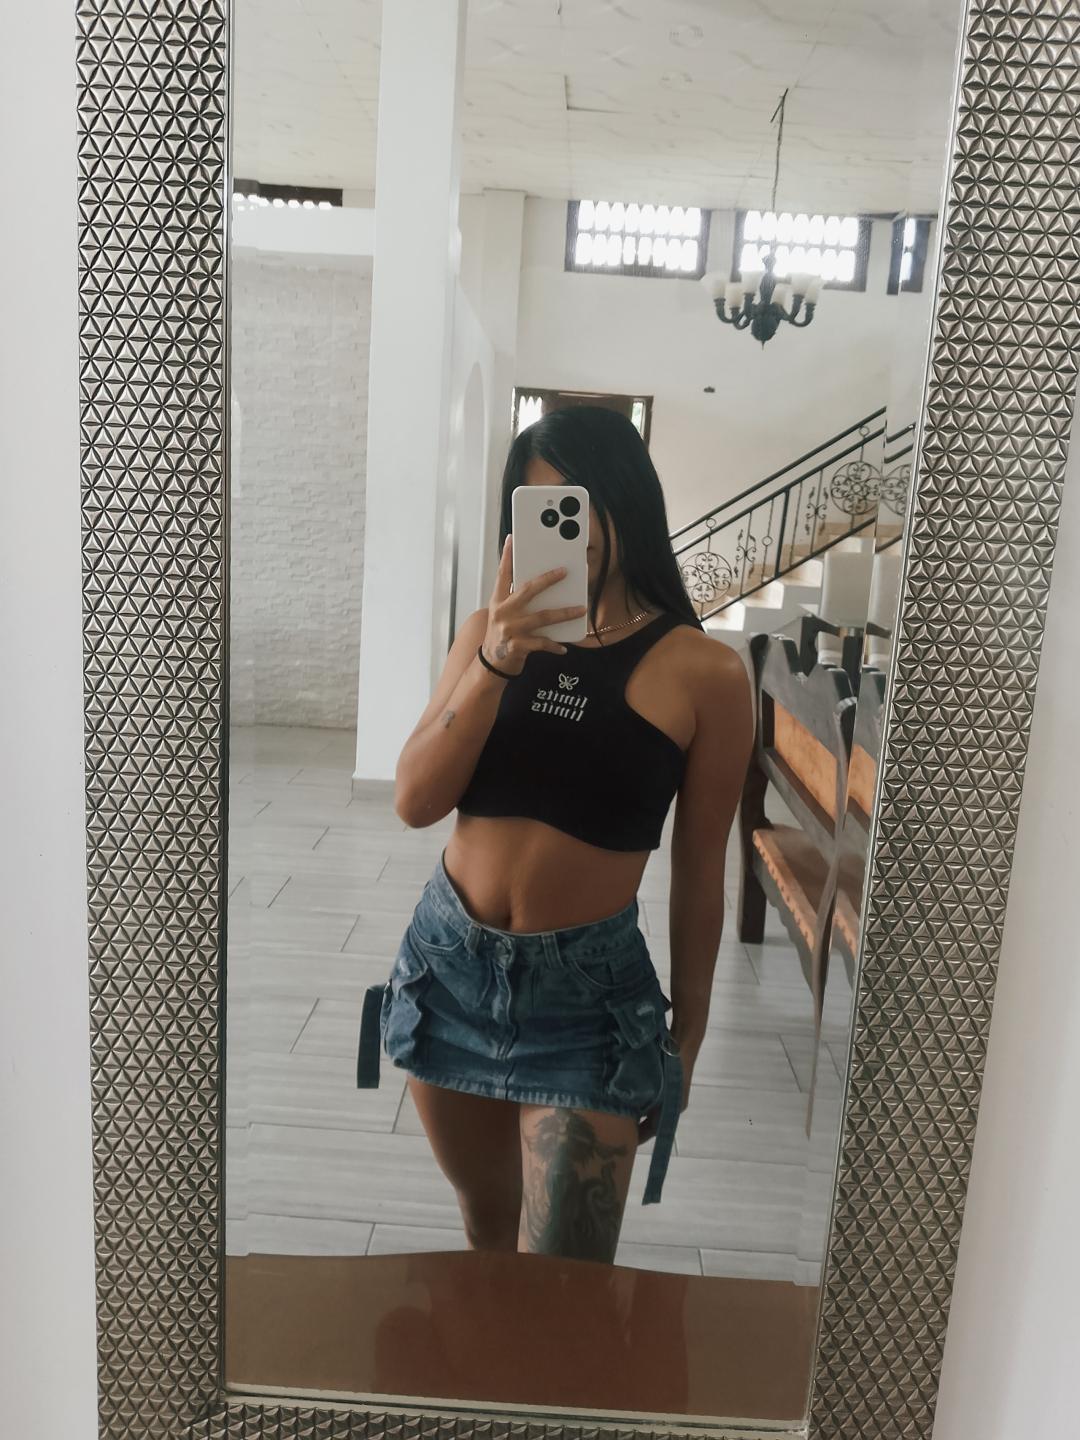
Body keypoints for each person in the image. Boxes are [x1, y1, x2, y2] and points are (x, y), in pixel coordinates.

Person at [356, 406, 753, 1265]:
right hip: (450, 969)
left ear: (627, 497)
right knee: (487, 1235)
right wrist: (497, 662)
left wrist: (690, 1032)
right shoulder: (484, 635)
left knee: (563, 1284)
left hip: (589, 1004)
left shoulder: (707, 673)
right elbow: (415, 800)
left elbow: (700, 870)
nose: (570, 528)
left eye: (579, 501)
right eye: (543, 509)